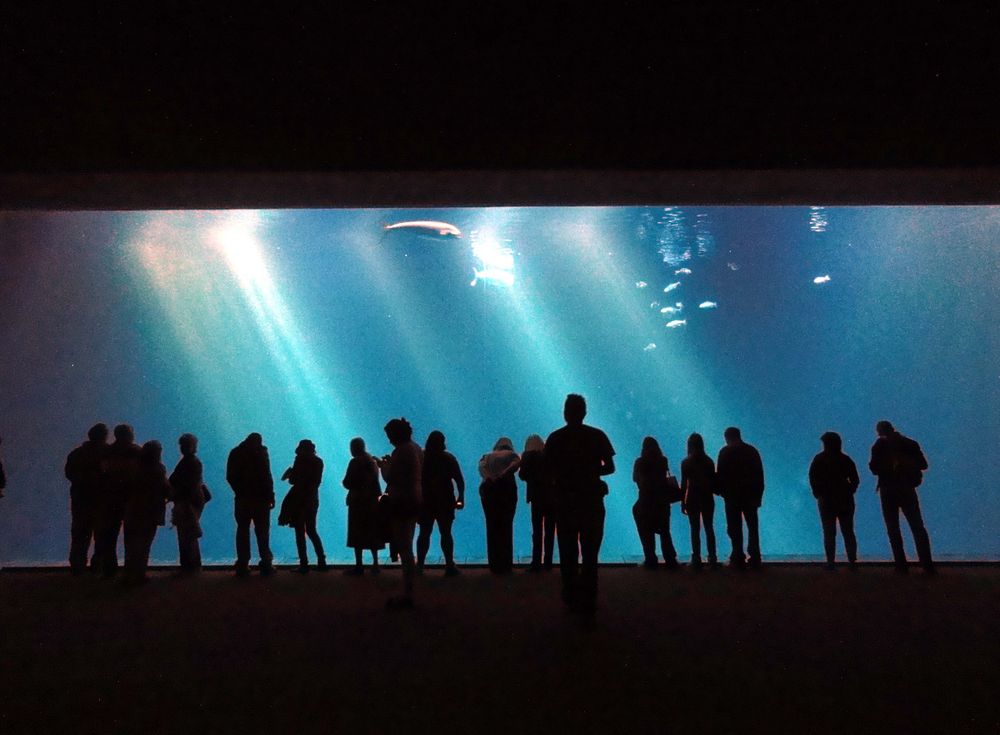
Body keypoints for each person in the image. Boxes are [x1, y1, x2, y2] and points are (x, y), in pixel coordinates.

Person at [545, 394, 615, 613]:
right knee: (590, 551)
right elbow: (610, 467)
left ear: (565, 413)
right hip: (591, 500)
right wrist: (591, 471)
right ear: (585, 412)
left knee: (567, 551)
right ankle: (589, 597)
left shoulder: (555, 438)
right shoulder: (597, 436)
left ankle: (570, 593)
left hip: (565, 501)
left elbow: (547, 469)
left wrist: (565, 477)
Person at [868, 420, 934, 573]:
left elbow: (873, 468)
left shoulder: (879, 446)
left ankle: (901, 565)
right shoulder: (910, 443)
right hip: (907, 489)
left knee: (893, 528)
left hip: (888, 490)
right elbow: (923, 464)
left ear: (880, 431)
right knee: (917, 527)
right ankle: (927, 565)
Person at [374, 418, 422, 609]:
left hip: (402, 501)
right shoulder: (416, 448)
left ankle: (407, 593)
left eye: (390, 435)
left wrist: (383, 465)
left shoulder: (401, 450)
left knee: (404, 547)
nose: (389, 440)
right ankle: (408, 589)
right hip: (415, 498)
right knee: (407, 544)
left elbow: (391, 477)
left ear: (396, 434)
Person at [95, 424, 141, 578]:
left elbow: (102, 474)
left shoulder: (107, 452)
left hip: (110, 498)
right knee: (132, 537)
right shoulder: (136, 452)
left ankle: (109, 569)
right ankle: (131, 570)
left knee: (109, 535)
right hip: (131, 499)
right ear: (128, 435)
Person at [809, 431, 860, 570]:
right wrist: (849, 490)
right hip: (845, 500)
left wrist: (818, 493)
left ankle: (831, 562)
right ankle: (852, 561)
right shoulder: (845, 459)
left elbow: (812, 478)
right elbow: (855, 479)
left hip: (826, 500)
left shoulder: (819, 459)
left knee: (829, 531)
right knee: (848, 530)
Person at [227, 432, 276, 576]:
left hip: (242, 499)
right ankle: (266, 563)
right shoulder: (261, 453)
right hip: (261, 499)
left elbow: (230, 476)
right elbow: (267, 475)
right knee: (262, 531)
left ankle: (242, 563)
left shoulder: (235, 453)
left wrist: (239, 491)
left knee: (242, 530)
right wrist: (270, 495)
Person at [417, 430, 465, 576]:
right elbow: (459, 480)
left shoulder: (421, 458)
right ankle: (449, 565)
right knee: (446, 533)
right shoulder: (448, 458)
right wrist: (461, 497)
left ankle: (419, 566)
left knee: (424, 533)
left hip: (425, 501)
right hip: (445, 501)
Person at [716, 427, 765, 570]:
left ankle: (737, 555)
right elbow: (759, 475)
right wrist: (759, 495)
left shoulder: (724, 452)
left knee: (734, 527)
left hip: (732, 496)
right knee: (752, 526)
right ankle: (755, 556)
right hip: (750, 495)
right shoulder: (752, 451)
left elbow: (720, 475)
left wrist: (720, 491)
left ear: (727, 437)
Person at [123, 440, 170, 585]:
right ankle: (139, 574)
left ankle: (129, 573)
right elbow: (166, 488)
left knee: (131, 543)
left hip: (132, 509)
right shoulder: (158, 469)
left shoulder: (133, 468)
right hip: (150, 511)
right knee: (144, 543)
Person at [65, 423, 109, 574]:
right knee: (101, 536)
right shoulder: (107, 454)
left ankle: (77, 567)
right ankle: (98, 567)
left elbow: (69, 474)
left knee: (80, 536)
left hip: (80, 501)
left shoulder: (76, 454)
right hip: (101, 502)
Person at [278, 439, 327, 573]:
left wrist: (291, 474)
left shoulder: (299, 460)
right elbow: (316, 482)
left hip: (299, 500)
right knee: (311, 530)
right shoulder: (318, 462)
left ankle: (304, 564)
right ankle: (322, 561)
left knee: (300, 531)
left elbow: (293, 480)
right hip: (312, 499)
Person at [631, 437, 678, 569]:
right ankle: (670, 559)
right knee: (665, 531)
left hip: (646, 501)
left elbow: (635, 479)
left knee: (646, 530)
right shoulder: (663, 460)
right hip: (662, 501)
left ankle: (650, 559)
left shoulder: (640, 462)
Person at [478, 437, 520, 574]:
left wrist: (490, 477)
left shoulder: (487, 456)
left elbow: (481, 467)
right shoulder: (511, 455)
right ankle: (506, 564)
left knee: (491, 526)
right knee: (506, 526)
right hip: (506, 489)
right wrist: (503, 473)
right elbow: (516, 464)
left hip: (489, 490)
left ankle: (494, 565)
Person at [342, 437, 384, 575]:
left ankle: (359, 565)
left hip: (358, 501)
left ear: (354, 448)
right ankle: (376, 564)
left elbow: (347, 482)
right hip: (372, 502)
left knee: (357, 533)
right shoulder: (371, 461)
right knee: (373, 532)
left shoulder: (355, 462)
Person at [169, 433, 207, 573]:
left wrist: (174, 494)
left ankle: (191, 566)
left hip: (188, 502)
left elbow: (187, 484)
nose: (183, 448)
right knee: (188, 533)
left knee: (187, 533)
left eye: (186, 445)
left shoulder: (189, 462)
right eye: (182, 445)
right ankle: (191, 565)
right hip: (190, 500)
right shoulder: (189, 461)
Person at [681, 433, 718, 569]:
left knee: (695, 529)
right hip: (707, 497)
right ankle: (712, 558)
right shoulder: (708, 461)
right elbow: (713, 481)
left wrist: (682, 501)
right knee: (709, 527)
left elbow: (684, 484)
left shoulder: (686, 462)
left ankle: (696, 558)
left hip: (692, 497)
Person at [519, 434, 555, 572]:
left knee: (537, 530)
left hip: (536, 497)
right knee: (550, 530)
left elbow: (522, 475)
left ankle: (536, 563)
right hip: (552, 497)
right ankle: (548, 562)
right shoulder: (550, 455)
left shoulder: (528, 456)